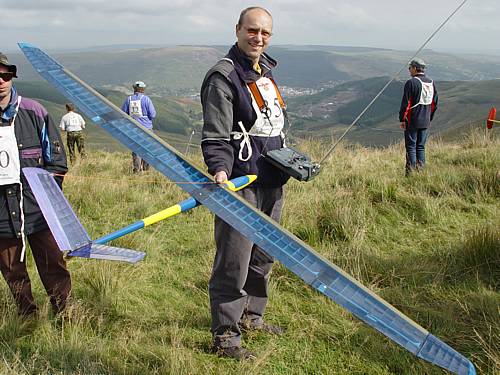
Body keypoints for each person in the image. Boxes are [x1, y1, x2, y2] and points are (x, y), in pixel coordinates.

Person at [201, 6, 290, 360]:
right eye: (252, 31)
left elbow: (273, 125)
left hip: (273, 180)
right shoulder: (224, 76)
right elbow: (216, 134)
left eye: (265, 33)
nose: (258, 38)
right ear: (237, 29)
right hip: (240, 184)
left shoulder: (265, 71)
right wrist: (220, 172)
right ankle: (225, 335)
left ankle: (252, 316)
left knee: (263, 254)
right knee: (233, 261)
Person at [0, 52, 71, 316]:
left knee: (53, 264)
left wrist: (50, 199)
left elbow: (57, 163)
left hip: (40, 210)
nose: (1, 81)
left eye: (5, 75)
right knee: (12, 270)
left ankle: (64, 314)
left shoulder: (34, 111)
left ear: (11, 77)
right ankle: (27, 319)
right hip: (2, 214)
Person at [399, 58, 438, 176]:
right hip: (425, 120)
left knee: (411, 147)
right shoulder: (431, 82)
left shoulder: (411, 82)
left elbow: (406, 103)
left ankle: (410, 173)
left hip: (413, 120)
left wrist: (402, 118)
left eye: (410, 68)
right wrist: (429, 117)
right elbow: (434, 103)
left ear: (415, 68)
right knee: (420, 147)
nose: (409, 70)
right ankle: (420, 172)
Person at [121, 81, 156, 173]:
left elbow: (123, 113)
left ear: (134, 89)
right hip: (147, 128)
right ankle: (146, 169)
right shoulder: (146, 99)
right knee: (148, 149)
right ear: (143, 89)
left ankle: (137, 171)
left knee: (136, 149)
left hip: (133, 128)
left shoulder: (128, 99)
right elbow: (152, 114)